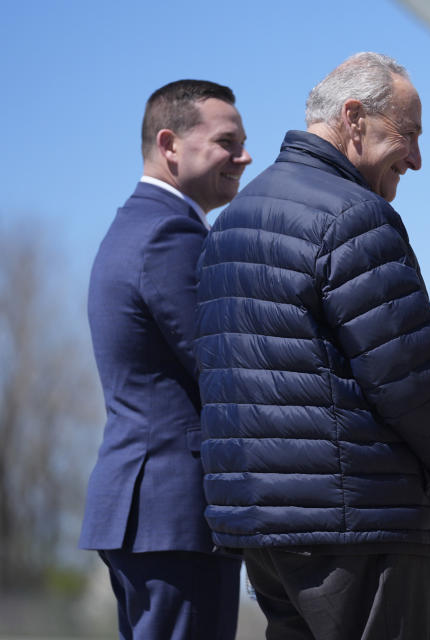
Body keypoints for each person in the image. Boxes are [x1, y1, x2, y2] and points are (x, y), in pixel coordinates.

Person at [194, 52, 430, 640]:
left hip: (264, 527)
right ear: (354, 117)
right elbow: (410, 377)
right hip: (358, 526)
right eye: (410, 134)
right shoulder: (355, 215)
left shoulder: (232, 222)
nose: (418, 160)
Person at [80, 80, 252, 639]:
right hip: (174, 514)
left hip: (146, 514)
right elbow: (223, 366)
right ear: (170, 144)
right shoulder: (169, 234)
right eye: (227, 141)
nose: (244, 156)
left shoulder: (136, 224)